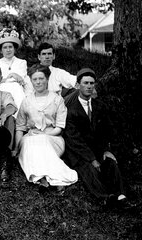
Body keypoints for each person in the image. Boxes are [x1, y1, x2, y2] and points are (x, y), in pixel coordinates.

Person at [63, 68, 128, 206]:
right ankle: (105, 197)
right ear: (77, 85)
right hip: (78, 152)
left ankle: (121, 196)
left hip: (96, 148)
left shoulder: (99, 106)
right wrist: (92, 159)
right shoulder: (70, 109)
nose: (89, 86)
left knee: (110, 163)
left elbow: (106, 131)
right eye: (85, 83)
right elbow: (73, 139)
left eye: (92, 83)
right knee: (88, 169)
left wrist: (106, 150)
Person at [14, 64, 78, 190]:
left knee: (41, 140)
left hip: (53, 137)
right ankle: (43, 178)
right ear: (31, 81)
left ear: (47, 79)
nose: (38, 82)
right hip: (31, 135)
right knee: (30, 142)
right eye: (35, 79)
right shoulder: (26, 100)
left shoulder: (57, 99)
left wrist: (46, 135)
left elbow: (59, 127)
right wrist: (16, 148)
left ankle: (56, 178)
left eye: (41, 78)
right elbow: (20, 127)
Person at [0, 28, 32, 113]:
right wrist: (13, 76)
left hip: (17, 90)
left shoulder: (21, 62)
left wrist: (5, 79)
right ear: (1, 50)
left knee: (18, 91)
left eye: (10, 47)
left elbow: (21, 79)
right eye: (5, 47)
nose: (8, 50)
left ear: (14, 48)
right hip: (1, 90)